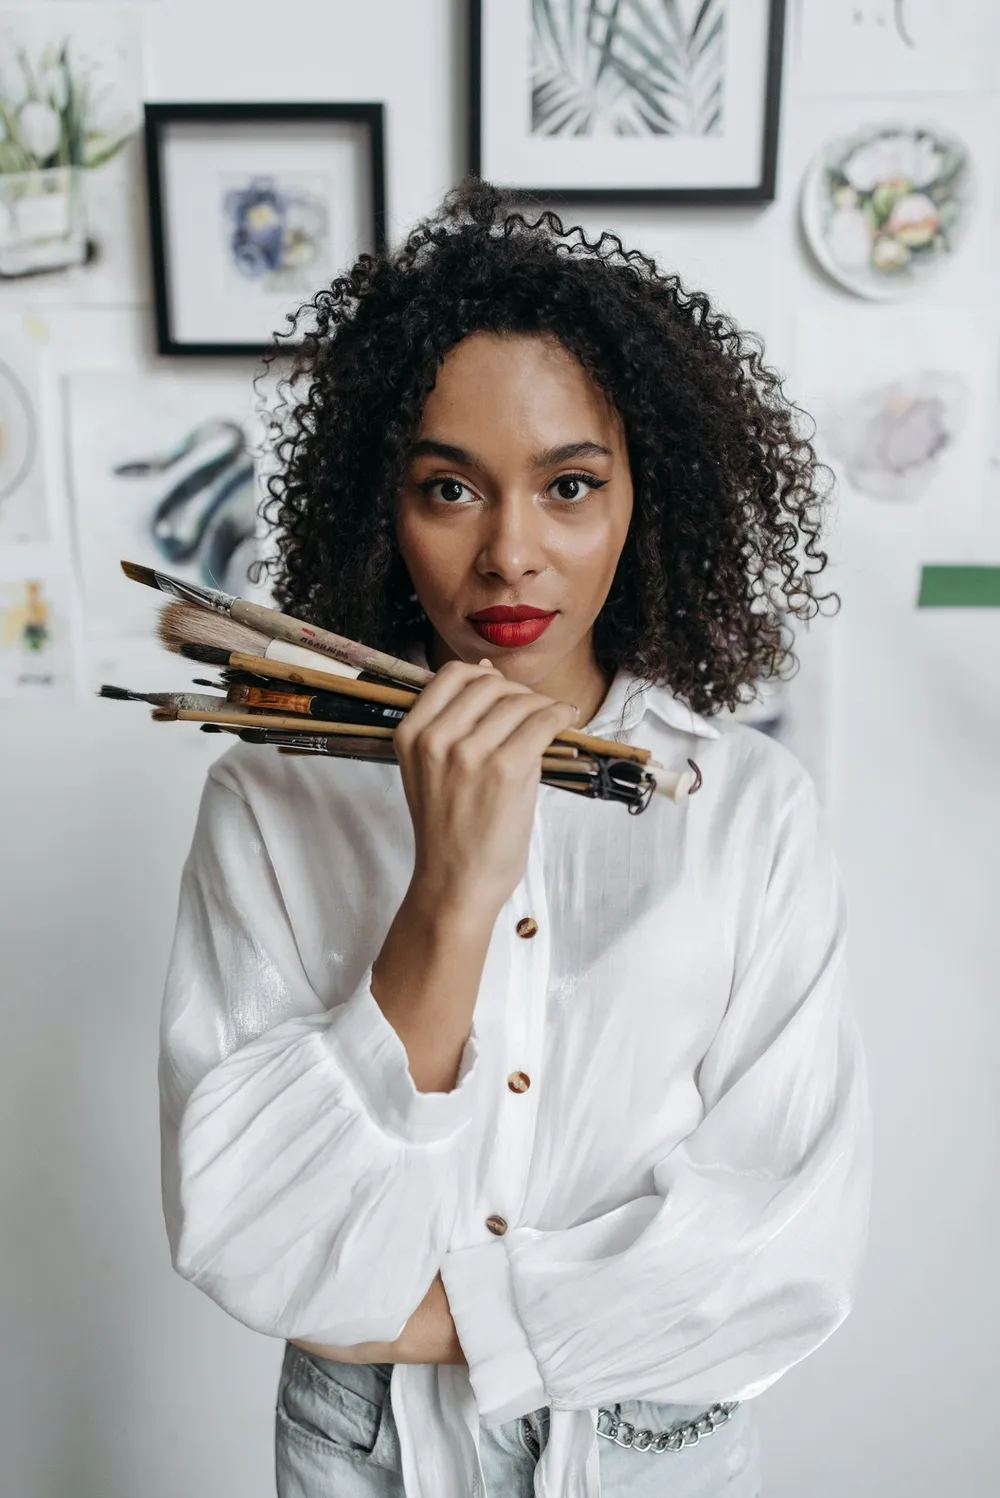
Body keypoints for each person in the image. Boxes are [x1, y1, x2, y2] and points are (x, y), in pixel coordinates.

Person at [157, 178, 872, 1498]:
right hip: (357, 1449)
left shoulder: (747, 808)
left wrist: (442, 1322)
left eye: (569, 485)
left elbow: (786, 1248)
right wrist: (450, 894)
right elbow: (244, 1230)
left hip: (653, 1442)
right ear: (386, 503)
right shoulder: (272, 802)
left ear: (643, 498)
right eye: (448, 487)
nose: (511, 553)